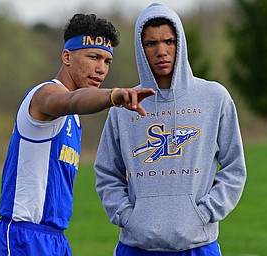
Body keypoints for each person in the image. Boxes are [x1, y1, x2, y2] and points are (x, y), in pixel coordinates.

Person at [0, 13, 155, 256]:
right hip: (22, 238)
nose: (101, 69)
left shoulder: (75, 120)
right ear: (67, 56)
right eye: (93, 57)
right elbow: (71, 100)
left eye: (107, 61)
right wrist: (113, 96)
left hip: (56, 240)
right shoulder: (44, 96)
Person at [94, 3, 247, 256]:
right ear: (140, 49)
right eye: (151, 43)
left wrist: (206, 212)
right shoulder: (123, 106)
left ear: (181, 43)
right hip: (137, 246)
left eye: (169, 41)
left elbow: (234, 168)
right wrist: (126, 216)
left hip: (198, 244)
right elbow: (107, 172)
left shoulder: (214, 98)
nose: (161, 51)